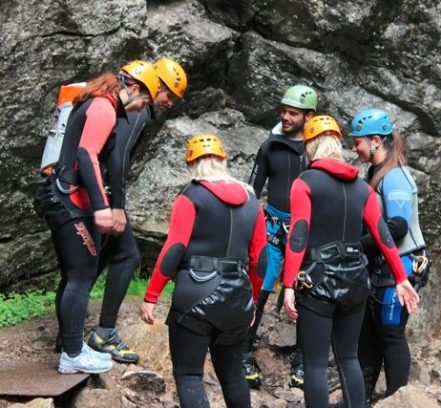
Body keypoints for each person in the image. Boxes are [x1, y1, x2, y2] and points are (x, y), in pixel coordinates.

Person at [282, 115, 420, 407]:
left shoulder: (305, 183)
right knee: (349, 359)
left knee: (316, 365)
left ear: (310, 147)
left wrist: (289, 285)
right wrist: (401, 278)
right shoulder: (362, 188)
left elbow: (298, 237)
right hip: (357, 282)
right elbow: (384, 236)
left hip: (317, 282)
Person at [34, 60, 160, 374]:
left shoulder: (98, 102)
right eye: (144, 101)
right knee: (80, 276)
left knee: (73, 276)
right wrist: (103, 208)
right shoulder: (103, 107)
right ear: (133, 89)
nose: (141, 109)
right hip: (70, 200)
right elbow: (86, 154)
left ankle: (69, 346)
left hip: (62, 195)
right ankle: (73, 355)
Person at [140, 134, 267, 408]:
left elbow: (174, 249)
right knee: (233, 376)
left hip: (195, 294)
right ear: (223, 160)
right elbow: (262, 260)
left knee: (189, 376)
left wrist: (151, 296)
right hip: (237, 296)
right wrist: (253, 300)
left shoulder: (190, 196)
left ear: (191, 163)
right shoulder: (251, 200)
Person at [86, 57, 188, 364]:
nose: (169, 102)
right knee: (128, 255)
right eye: (169, 94)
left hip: (93, 189)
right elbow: (117, 157)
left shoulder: (131, 106)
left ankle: (70, 329)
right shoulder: (139, 110)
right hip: (103, 193)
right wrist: (116, 204)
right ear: (156, 86)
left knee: (100, 256)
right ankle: (104, 333)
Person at [349, 108, 428, 404]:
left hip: (403, 264)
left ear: (375, 141)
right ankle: (360, 399)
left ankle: (398, 399)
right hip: (381, 265)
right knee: (369, 335)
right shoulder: (377, 174)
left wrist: (356, 245)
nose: (354, 148)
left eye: (357, 142)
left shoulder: (395, 177)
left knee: (390, 333)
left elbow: (396, 227)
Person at [242, 84, 317, 388]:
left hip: (305, 230)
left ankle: (303, 363)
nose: (286, 117)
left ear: (308, 116)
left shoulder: (315, 150)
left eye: (293, 113)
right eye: (283, 111)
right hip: (272, 227)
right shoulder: (270, 146)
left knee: (306, 293)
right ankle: (244, 352)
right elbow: (251, 190)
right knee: (259, 288)